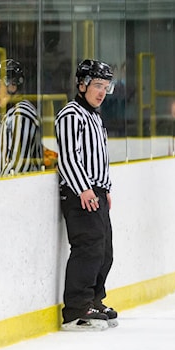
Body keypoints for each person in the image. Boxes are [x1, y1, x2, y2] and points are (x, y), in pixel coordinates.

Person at [55, 59, 118, 332]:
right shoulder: (71, 114)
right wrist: (84, 188)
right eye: (96, 85)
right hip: (80, 193)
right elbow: (68, 157)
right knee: (88, 248)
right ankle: (76, 309)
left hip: (96, 192)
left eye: (106, 86)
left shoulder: (94, 116)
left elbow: (99, 159)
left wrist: (105, 189)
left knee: (105, 251)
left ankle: (93, 299)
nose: (102, 91)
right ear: (82, 85)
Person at [0, 59, 44, 176]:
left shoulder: (22, 114)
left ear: (12, 85)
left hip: (18, 191)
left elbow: (17, 168)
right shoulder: (13, 113)